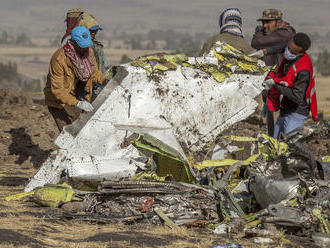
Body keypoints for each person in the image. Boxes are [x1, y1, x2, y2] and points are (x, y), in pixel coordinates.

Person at [44, 26, 105, 132]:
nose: (85, 49)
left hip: (77, 95)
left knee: (82, 130)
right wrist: (78, 103)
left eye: (86, 45)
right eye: (82, 46)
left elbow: (94, 73)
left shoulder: (88, 51)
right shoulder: (59, 59)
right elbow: (57, 91)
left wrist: (106, 81)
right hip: (59, 102)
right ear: (74, 43)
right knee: (69, 134)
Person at [262, 33, 318, 139]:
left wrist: (275, 84)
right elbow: (279, 48)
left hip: (296, 112)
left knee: (289, 144)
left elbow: (297, 96)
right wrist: (262, 52)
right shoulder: (290, 55)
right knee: (275, 141)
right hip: (286, 109)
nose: (288, 51)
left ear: (300, 53)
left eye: (292, 51)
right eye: (289, 47)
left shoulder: (303, 70)